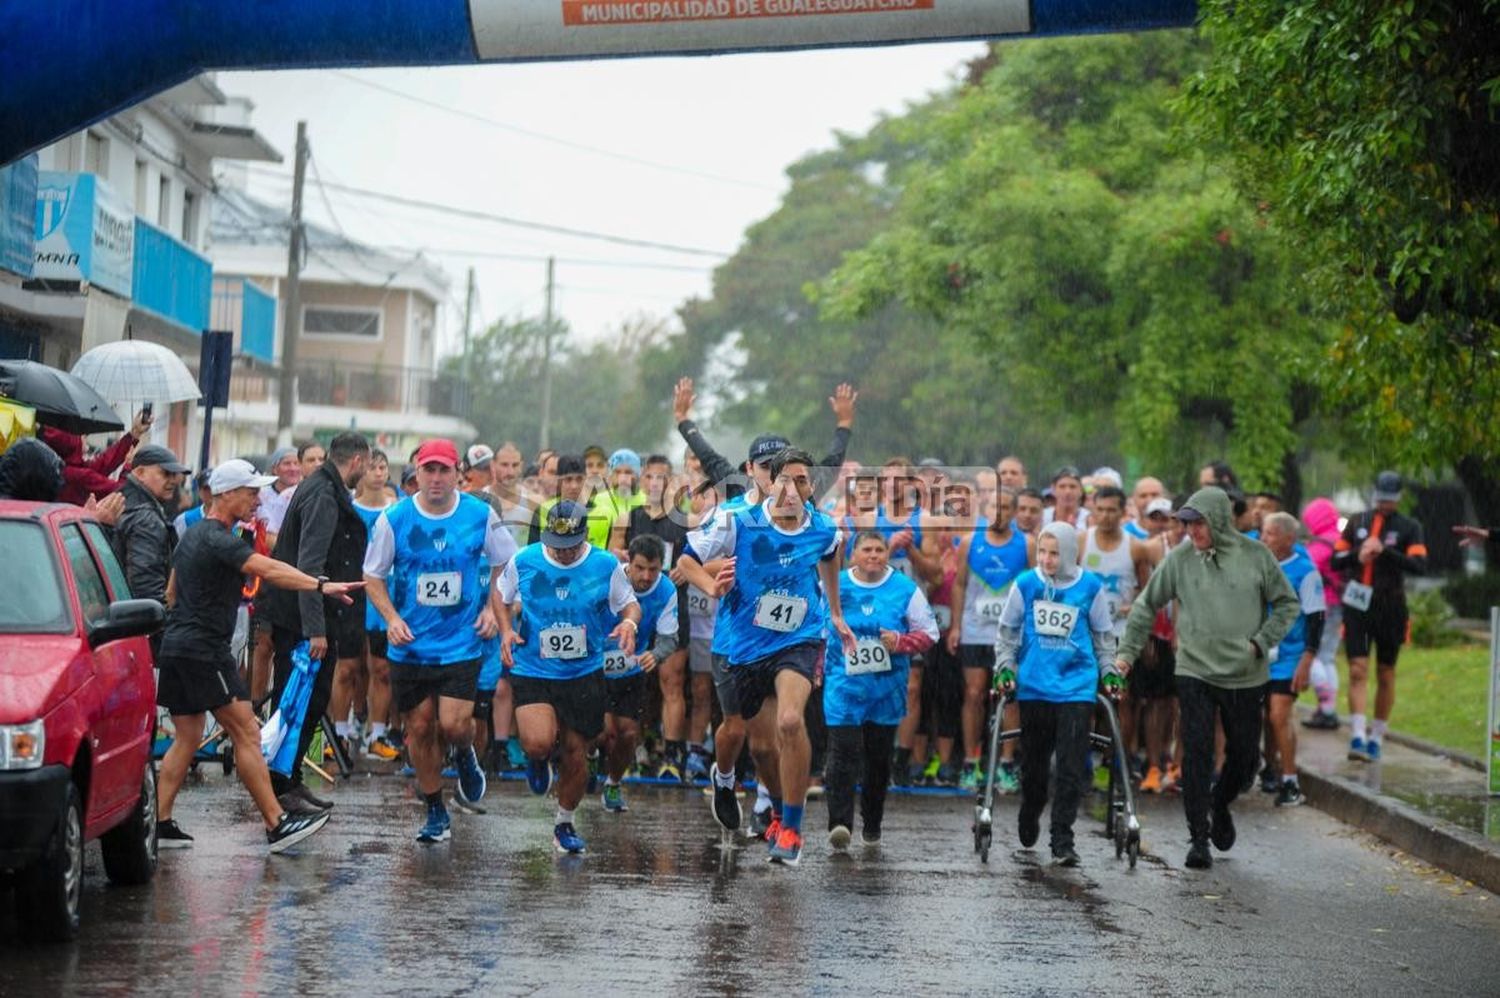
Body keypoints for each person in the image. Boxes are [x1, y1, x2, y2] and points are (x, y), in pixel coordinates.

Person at [155, 459, 361, 852]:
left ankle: (160, 823)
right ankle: (276, 822)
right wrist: (320, 585)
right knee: (247, 732)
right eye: (251, 493)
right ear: (227, 494)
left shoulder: (194, 535)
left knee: (187, 737)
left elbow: (171, 592)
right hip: (204, 652)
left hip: (180, 647)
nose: (258, 500)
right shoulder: (219, 538)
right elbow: (268, 568)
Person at [678, 448, 855, 867]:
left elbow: (832, 553)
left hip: (799, 637)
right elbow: (687, 561)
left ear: (811, 488)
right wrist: (711, 585)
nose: (793, 490)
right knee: (756, 745)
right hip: (743, 644)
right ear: (769, 483)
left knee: (790, 722)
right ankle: (752, 796)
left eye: (802, 482)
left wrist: (834, 611)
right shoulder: (736, 520)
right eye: (785, 480)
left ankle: (791, 827)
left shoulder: (822, 527)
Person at [1115, 487, 1299, 870]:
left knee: (1246, 760)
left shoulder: (1256, 556)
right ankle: (1198, 838)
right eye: (1186, 524)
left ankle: (1220, 803)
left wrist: (1262, 642)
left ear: (1218, 520)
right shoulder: (1181, 559)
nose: (1191, 532)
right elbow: (1147, 604)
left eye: (1198, 524)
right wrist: (1126, 655)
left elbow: (1287, 603)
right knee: (1195, 752)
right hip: (1194, 669)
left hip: (1245, 673)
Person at [363, 438, 517, 844]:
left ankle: (465, 752)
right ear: (417, 473)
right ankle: (435, 810)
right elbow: (372, 576)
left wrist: (490, 608)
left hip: (460, 643)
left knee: (453, 725)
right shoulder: (394, 520)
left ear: (457, 475)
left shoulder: (480, 515)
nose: (434, 478)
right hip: (411, 645)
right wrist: (391, 618)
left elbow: (508, 565)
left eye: (443, 470)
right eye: (427, 470)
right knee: (420, 726)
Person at [495, 500, 640, 854]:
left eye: (570, 546)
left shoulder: (605, 564)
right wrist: (505, 631)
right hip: (534, 667)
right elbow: (500, 597)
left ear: (585, 535)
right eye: (556, 547)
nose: (562, 554)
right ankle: (537, 760)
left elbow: (629, 602)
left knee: (577, 753)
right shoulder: (524, 560)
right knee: (538, 742)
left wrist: (629, 623)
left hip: (584, 672)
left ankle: (564, 821)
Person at [995, 522, 1118, 866]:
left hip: (1077, 686)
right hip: (1035, 686)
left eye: (1055, 553)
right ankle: (1030, 808)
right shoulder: (1026, 584)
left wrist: (1109, 672)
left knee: (1071, 765)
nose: (1048, 560)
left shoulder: (1090, 586)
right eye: (1043, 553)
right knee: (1035, 767)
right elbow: (1007, 632)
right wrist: (1005, 666)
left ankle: (1062, 838)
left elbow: (1103, 637)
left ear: (1068, 553)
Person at [262, 432, 371, 813]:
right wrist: (316, 630)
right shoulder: (323, 495)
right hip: (304, 620)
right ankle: (279, 785)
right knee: (296, 704)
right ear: (356, 461)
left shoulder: (319, 486)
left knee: (311, 701)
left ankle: (289, 779)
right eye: (368, 465)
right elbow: (309, 566)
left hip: (308, 615)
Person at [824, 530, 939, 850]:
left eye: (879, 550)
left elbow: (930, 634)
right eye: (867, 550)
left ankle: (872, 822)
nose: (873, 555)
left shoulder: (904, 589)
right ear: (854, 555)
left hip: (886, 689)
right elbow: (817, 627)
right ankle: (840, 823)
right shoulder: (836, 584)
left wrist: (902, 642)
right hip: (843, 685)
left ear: (887, 555)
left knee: (878, 760)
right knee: (842, 753)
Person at [1333, 471, 1427, 762]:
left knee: (1385, 672)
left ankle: (1377, 735)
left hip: (1390, 606)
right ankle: (1358, 735)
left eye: (1390, 499)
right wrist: (1357, 555)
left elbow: (1419, 566)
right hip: (1358, 605)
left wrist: (1385, 551)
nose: (1385, 504)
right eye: (1381, 498)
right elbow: (1336, 560)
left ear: (1398, 498)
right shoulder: (1357, 521)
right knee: (1357, 669)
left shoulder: (1409, 526)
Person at [946, 487, 1033, 792]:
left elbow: (1034, 587)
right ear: (986, 509)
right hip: (975, 629)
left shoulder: (1027, 544)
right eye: (995, 506)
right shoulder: (970, 542)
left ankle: (1006, 765)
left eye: (1007, 507)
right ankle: (971, 762)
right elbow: (959, 585)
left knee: (1009, 694)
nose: (1001, 512)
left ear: (1014, 512)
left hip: (1011, 634)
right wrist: (956, 626)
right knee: (974, 693)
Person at [617, 454, 696, 777]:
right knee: (633, 681)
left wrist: (685, 567)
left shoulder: (683, 520)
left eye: (661, 478)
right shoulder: (629, 515)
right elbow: (613, 554)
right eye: (649, 477)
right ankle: (636, 748)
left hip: (672, 604)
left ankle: (673, 755)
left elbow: (701, 555)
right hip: (634, 608)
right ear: (641, 480)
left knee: (672, 681)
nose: (654, 483)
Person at [1081, 485, 1159, 776]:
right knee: (1085, 697)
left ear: (1122, 511)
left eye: (1112, 509)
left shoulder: (1135, 547)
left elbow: (1146, 591)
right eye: (1100, 509)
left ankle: (1118, 758)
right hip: (1087, 634)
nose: (1105, 515)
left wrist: (1142, 626)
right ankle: (1083, 759)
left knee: (1121, 699)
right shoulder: (1081, 542)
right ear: (1093, 510)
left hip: (1121, 635)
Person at [599, 535, 680, 813]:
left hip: (630, 671)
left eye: (653, 569)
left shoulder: (667, 590)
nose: (646, 576)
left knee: (628, 734)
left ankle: (612, 782)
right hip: (593, 668)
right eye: (640, 568)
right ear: (628, 563)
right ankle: (586, 760)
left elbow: (670, 640)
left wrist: (654, 655)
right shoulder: (608, 578)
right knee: (603, 732)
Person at [1259, 512, 1324, 806]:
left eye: (1271, 534)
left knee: (1278, 714)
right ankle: (1269, 767)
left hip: (1291, 655)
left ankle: (1290, 781)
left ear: (1289, 538)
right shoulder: (1260, 565)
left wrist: (1307, 659)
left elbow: (1316, 617)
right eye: (1264, 532)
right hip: (1259, 654)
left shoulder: (1305, 571)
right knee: (1264, 717)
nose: (1264, 538)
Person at [349, 450, 400, 762]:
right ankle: (347, 727)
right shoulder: (350, 511)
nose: (379, 473)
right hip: (354, 596)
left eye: (383, 467)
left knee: (382, 669)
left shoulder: (395, 511)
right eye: (372, 467)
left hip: (386, 597)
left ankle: (377, 733)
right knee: (351, 668)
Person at [114, 443, 190, 608]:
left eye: (174, 475)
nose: (173, 481)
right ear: (140, 473)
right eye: (165, 473)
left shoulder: (125, 499)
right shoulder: (146, 519)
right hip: (140, 621)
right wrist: (160, 620)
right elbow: (146, 588)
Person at [38, 407, 152, 506]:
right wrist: (127, 467)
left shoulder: (52, 469)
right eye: (82, 435)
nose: (86, 441)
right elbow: (122, 493)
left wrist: (134, 434)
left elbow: (105, 462)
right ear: (71, 442)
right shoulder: (78, 476)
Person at [1300, 497, 1346, 729]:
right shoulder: (1341, 541)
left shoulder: (1319, 546)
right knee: (1327, 657)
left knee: (1312, 654)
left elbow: (1306, 573)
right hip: (1340, 605)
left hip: (1320, 605)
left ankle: (1326, 709)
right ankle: (1329, 708)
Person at [590, 448, 643, 550]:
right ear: (610, 476)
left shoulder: (646, 502)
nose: (623, 478)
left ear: (637, 475)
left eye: (628, 472)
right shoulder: (597, 501)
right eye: (617, 472)